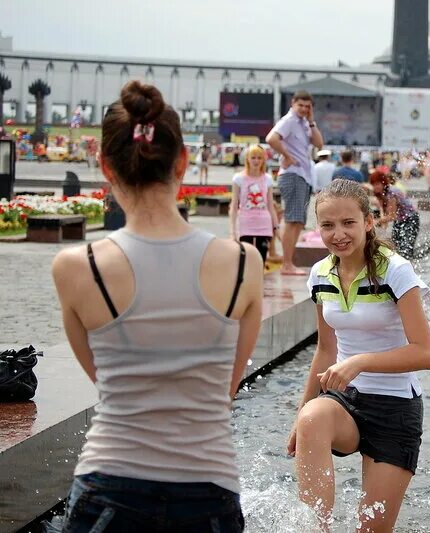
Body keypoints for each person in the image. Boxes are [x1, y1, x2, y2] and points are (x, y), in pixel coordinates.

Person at [51, 81, 264, 532]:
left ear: (106, 167)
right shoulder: (244, 263)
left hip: (109, 485)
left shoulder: (74, 267)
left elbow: (105, 380)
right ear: (183, 161)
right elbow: (224, 388)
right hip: (208, 488)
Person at [287, 179, 430, 532]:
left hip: (394, 409)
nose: (338, 234)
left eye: (348, 223)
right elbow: (325, 349)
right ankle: (316, 529)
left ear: (368, 222)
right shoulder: (320, 274)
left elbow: (425, 353)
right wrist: (301, 414)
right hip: (345, 403)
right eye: (327, 225)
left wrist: (360, 361)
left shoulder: (394, 270)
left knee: (371, 530)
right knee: (312, 418)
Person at [267, 90, 323, 275]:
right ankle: (287, 263)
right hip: (293, 174)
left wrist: (311, 120)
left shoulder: (304, 123)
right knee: (292, 220)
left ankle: (288, 262)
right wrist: (287, 156)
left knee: (298, 221)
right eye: (301, 105)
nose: (304, 109)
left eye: (308, 106)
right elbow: (271, 138)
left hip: (303, 175)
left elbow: (319, 144)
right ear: (293, 103)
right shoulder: (289, 120)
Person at [230, 144, 279, 268]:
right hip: (246, 223)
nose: (256, 161)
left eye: (259, 158)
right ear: (247, 159)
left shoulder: (267, 179)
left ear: (263, 160)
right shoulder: (238, 179)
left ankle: (258, 286)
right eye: (253, 158)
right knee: (245, 258)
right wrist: (232, 231)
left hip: (264, 224)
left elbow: (270, 206)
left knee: (261, 260)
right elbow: (234, 205)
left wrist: (276, 227)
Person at [369, 168, 421, 260]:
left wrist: (376, 221)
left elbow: (392, 216)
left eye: (377, 184)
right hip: (400, 220)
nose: (375, 187)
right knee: (394, 247)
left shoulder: (391, 193)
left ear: (383, 183)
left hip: (410, 220)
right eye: (373, 184)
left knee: (406, 249)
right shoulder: (381, 194)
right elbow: (385, 214)